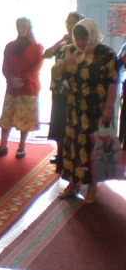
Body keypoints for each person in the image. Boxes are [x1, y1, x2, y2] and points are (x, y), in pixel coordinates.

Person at [53, 19, 117, 204]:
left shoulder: (106, 54)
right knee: (73, 146)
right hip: (74, 109)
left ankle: (93, 185)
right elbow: (56, 75)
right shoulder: (70, 51)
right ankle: (73, 183)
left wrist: (108, 108)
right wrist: (65, 63)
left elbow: (113, 82)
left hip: (96, 110)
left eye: (84, 38)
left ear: (93, 35)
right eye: (78, 38)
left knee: (93, 147)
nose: (81, 42)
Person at [0, 18, 43, 159]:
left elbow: (36, 68)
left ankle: (21, 147)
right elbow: (5, 66)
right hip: (12, 87)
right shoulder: (10, 46)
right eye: (18, 26)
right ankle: (3, 146)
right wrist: (11, 79)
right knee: (7, 117)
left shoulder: (37, 47)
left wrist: (22, 80)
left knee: (25, 119)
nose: (21, 29)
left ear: (29, 27)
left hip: (28, 88)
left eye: (23, 26)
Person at [43, 11, 85, 166]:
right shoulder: (63, 42)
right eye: (68, 22)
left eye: (74, 22)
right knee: (58, 120)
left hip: (73, 89)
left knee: (70, 122)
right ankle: (60, 152)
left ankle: (70, 153)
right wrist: (61, 39)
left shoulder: (82, 43)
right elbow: (46, 54)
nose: (70, 25)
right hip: (58, 88)